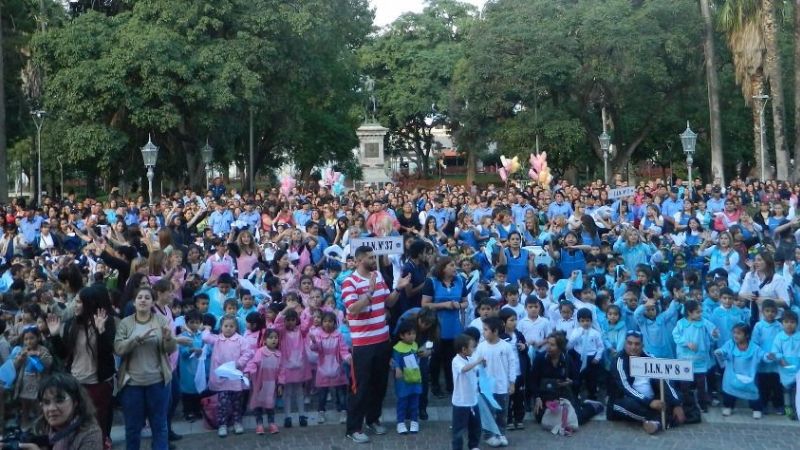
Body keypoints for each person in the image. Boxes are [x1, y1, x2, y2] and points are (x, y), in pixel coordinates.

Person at [342, 246, 410, 444]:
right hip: (363, 345)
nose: (374, 259)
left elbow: (388, 302)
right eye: (371, 257)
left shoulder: (378, 275)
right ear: (360, 260)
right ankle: (353, 428)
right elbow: (353, 309)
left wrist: (398, 288)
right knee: (360, 387)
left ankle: (373, 419)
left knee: (379, 385)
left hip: (382, 341)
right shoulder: (349, 282)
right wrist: (369, 292)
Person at [46, 285, 116, 446]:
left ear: (89, 303)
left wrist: (101, 332)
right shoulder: (72, 324)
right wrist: (55, 335)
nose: (74, 306)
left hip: (98, 384)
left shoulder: (106, 321)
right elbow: (64, 355)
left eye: (78, 302)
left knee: (98, 425)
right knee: (74, 424)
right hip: (75, 382)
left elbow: (108, 352)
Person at [114, 286, 177, 450]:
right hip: (132, 384)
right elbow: (118, 349)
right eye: (139, 297)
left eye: (147, 298)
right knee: (133, 428)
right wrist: (135, 340)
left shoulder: (161, 320)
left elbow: (170, 349)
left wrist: (169, 339)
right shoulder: (125, 323)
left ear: (153, 302)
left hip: (158, 381)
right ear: (134, 302)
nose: (143, 300)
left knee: (159, 425)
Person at [607, 330, 685, 434]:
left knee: (676, 395)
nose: (633, 347)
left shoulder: (649, 358)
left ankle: (660, 419)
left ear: (642, 345)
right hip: (624, 401)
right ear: (625, 343)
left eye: (637, 344)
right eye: (630, 343)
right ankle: (661, 421)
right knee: (630, 405)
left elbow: (665, 380)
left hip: (652, 399)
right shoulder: (618, 361)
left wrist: (676, 404)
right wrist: (649, 403)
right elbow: (626, 388)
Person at [0, 373, 103, 450]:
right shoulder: (41, 428)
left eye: (59, 400)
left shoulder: (90, 434)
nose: (51, 408)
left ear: (75, 402)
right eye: (46, 402)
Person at [530, 332, 604, 427]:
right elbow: (533, 380)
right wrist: (537, 397)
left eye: (552, 345)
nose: (548, 347)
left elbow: (577, 381)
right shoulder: (540, 358)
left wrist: (571, 382)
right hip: (545, 396)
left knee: (577, 419)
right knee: (540, 417)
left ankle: (591, 406)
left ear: (560, 348)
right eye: (547, 343)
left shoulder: (567, 360)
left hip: (564, 396)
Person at [421, 257, 467, 399]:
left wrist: (458, 305)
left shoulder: (460, 280)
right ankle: (435, 385)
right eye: (451, 265)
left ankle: (451, 385)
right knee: (436, 358)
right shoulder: (431, 282)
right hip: (437, 326)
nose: (455, 268)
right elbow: (425, 304)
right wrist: (444, 305)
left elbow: (465, 302)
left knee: (452, 358)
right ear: (443, 268)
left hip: (455, 326)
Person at [714, 323, 773, 419]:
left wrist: (768, 356)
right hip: (732, 373)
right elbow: (724, 351)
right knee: (729, 390)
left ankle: (756, 409)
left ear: (747, 335)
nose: (735, 335)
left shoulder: (754, 347)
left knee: (752, 391)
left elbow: (762, 355)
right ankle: (728, 406)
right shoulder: (730, 344)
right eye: (734, 333)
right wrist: (720, 352)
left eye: (739, 333)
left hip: (748, 374)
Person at [474, 317, 514, 448]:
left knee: (502, 412)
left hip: (502, 386)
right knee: (488, 412)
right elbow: (474, 366)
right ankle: (489, 435)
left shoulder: (506, 347)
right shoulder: (481, 347)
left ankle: (501, 433)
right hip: (487, 388)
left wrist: (512, 382)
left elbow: (512, 365)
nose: (483, 332)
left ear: (495, 331)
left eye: (486, 330)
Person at [244, 328, 281, 435]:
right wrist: (248, 371)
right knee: (258, 404)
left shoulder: (279, 354)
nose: (273, 340)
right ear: (265, 340)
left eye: (275, 338)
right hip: (260, 384)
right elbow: (253, 363)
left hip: (272, 385)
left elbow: (282, 371)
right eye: (270, 338)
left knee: (270, 405)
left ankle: (271, 423)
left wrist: (280, 384)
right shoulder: (260, 352)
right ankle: (259, 424)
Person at [451, 333, 483, 450]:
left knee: (476, 426)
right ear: (464, 349)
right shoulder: (456, 360)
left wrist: (481, 364)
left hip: (473, 400)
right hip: (461, 402)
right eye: (472, 347)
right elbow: (464, 369)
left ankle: (473, 446)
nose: (473, 349)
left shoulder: (470, 358)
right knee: (459, 430)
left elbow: (476, 371)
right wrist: (477, 362)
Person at [392, 320, 423, 434]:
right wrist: (397, 368)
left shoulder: (415, 345)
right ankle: (400, 422)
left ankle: (414, 421)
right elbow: (394, 361)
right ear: (402, 335)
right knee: (402, 402)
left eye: (414, 333)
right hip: (403, 381)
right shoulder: (397, 348)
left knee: (415, 402)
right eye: (409, 334)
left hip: (415, 378)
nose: (412, 336)